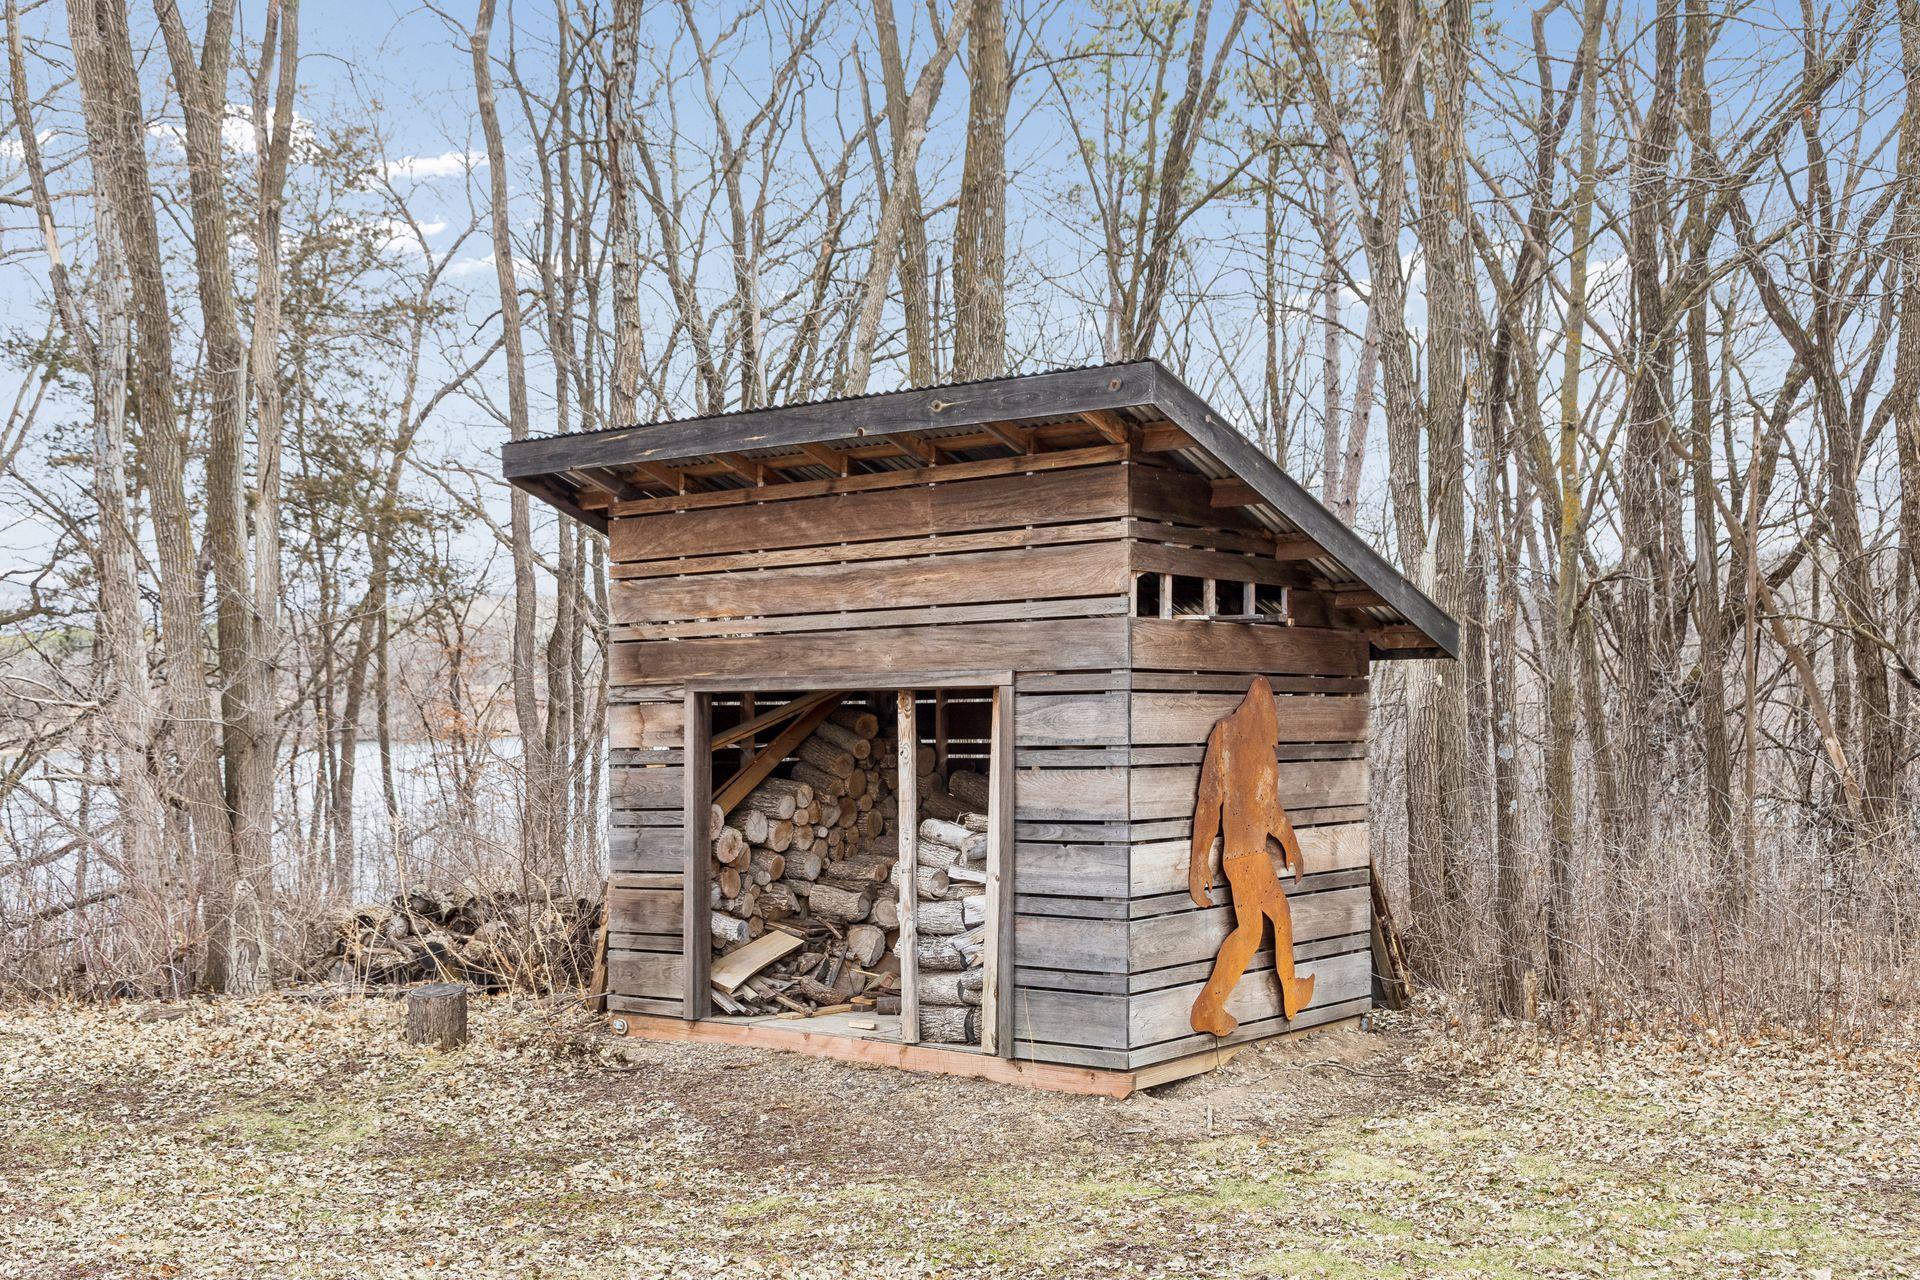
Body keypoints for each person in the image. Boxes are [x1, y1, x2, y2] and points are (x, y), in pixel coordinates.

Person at [1187, 676, 1316, 1037]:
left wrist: (1290, 842)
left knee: (1261, 926)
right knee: (1261, 928)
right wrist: (1198, 863)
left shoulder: (1261, 752)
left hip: (1251, 855)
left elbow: (1269, 808)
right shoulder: (1227, 735)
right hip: (1244, 858)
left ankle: (1285, 993)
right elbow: (1209, 804)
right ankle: (1210, 1006)